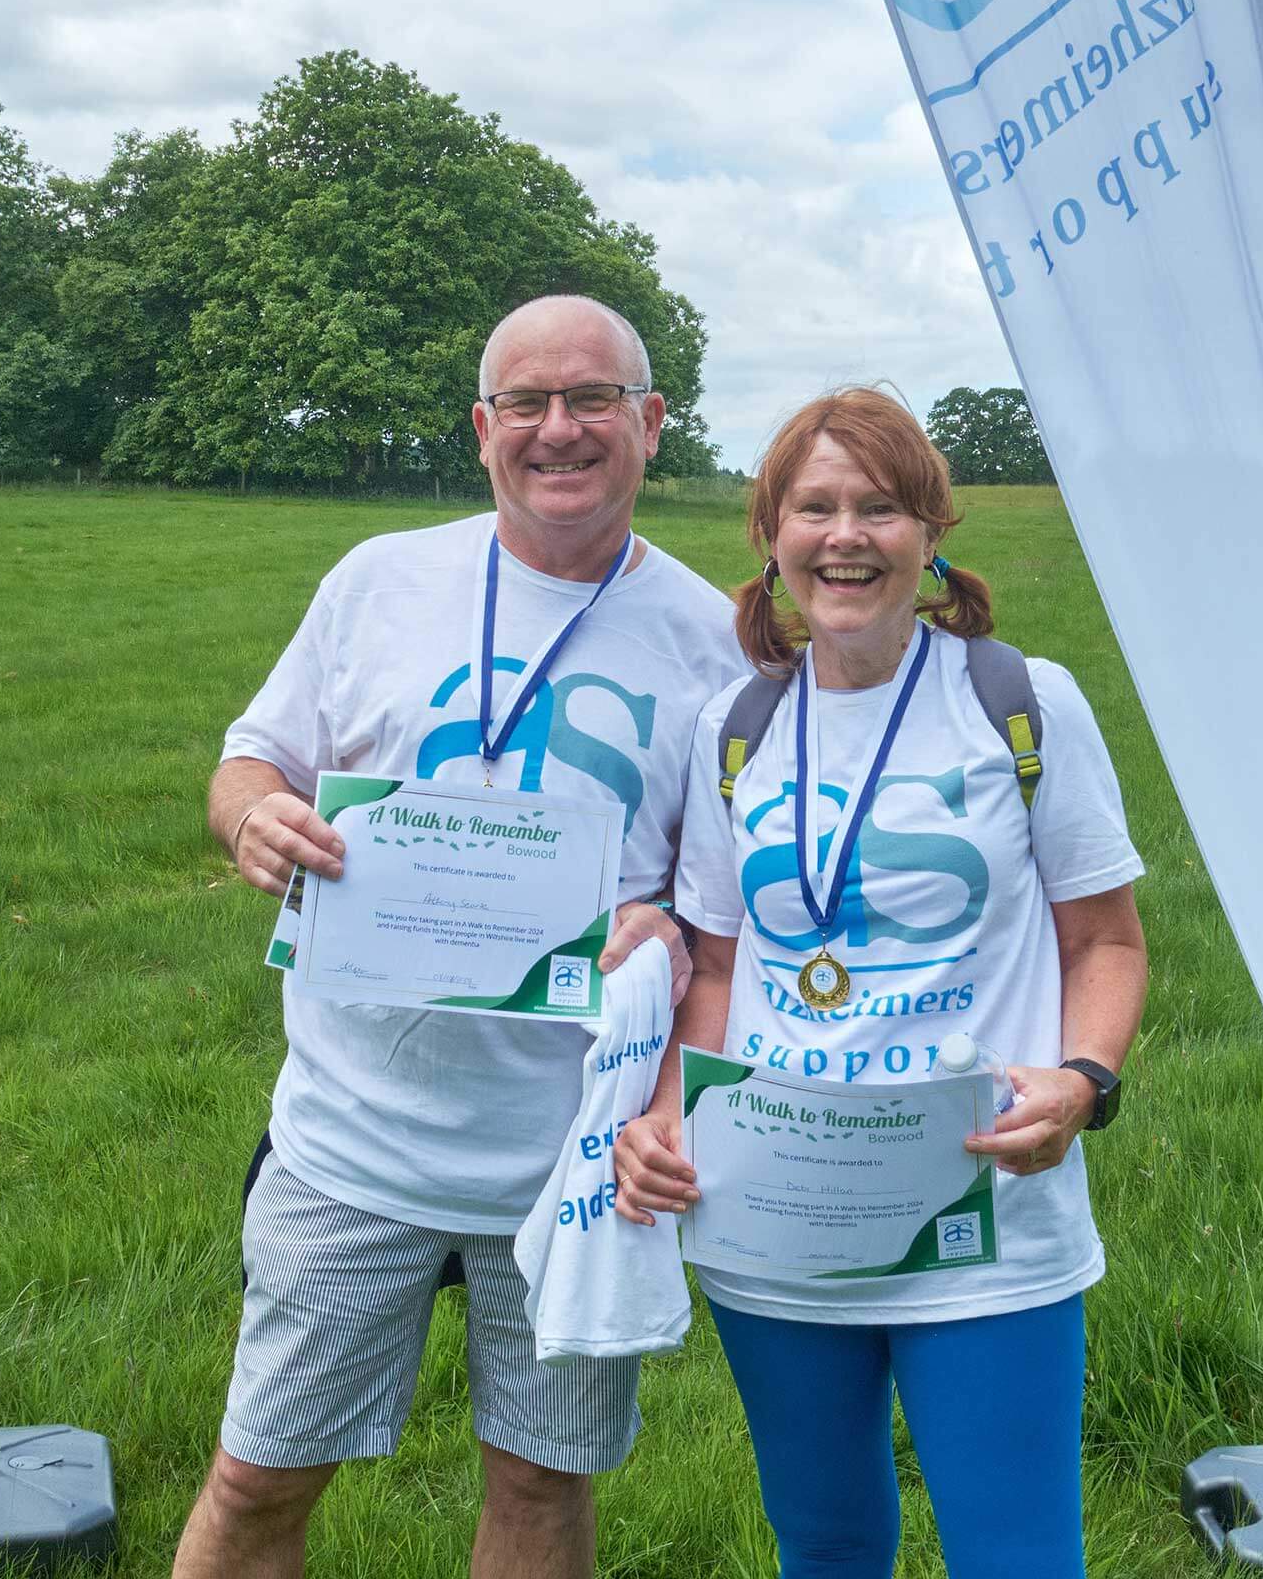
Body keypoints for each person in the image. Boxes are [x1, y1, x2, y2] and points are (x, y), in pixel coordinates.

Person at [177, 295, 748, 1579]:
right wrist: (257, 819)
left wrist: (661, 937)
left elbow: (727, 925)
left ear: (652, 424)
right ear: (482, 426)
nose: (561, 428)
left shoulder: (717, 645)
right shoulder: (380, 578)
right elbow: (253, 756)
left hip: (570, 1152)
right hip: (351, 1133)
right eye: (528, 402)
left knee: (542, 1485)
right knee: (258, 1476)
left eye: (594, 399)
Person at [616, 388, 1150, 1577]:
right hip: (777, 1214)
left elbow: (1105, 943)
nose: (845, 535)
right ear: (770, 536)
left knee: (1018, 1556)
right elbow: (713, 959)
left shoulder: (1021, 702)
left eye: (880, 507)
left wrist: (1082, 1080)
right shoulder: (735, 727)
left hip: (985, 1210)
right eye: (815, 506)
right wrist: (665, 1108)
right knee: (828, 1545)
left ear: (930, 533)